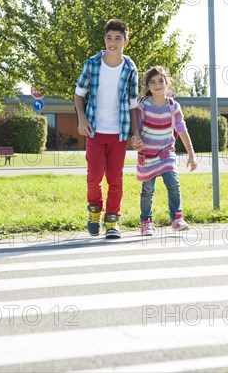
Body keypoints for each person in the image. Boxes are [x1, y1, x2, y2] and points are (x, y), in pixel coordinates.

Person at [74, 19, 139, 239]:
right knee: (93, 176)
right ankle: (94, 212)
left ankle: (112, 221)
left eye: (118, 39)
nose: (113, 43)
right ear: (104, 39)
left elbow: (132, 103)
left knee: (115, 178)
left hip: (119, 132)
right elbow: (79, 93)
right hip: (94, 130)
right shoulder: (92, 63)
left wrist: (135, 132)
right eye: (109, 38)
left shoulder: (130, 68)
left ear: (125, 42)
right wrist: (82, 119)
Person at [131, 66, 197, 236]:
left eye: (161, 81)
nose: (157, 84)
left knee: (173, 183)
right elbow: (135, 125)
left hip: (166, 152)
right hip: (147, 154)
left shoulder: (173, 106)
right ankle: (146, 221)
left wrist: (191, 154)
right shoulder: (142, 105)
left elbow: (182, 130)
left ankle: (177, 219)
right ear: (147, 86)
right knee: (147, 190)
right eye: (152, 82)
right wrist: (135, 138)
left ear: (167, 84)